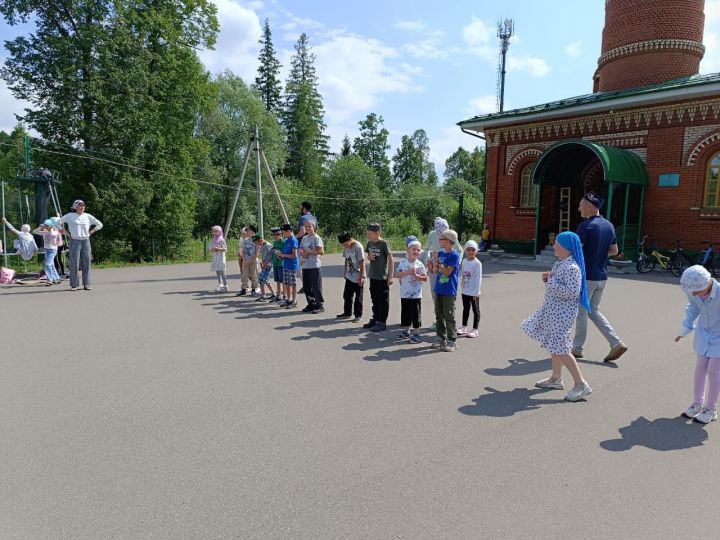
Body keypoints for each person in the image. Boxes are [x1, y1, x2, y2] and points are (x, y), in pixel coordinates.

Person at [522, 231, 593, 402]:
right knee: (555, 345)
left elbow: (572, 292)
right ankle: (556, 377)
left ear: (567, 248)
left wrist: (551, 282)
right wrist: (549, 279)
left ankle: (581, 384)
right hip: (554, 312)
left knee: (561, 348)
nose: (554, 246)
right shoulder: (561, 264)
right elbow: (558, 286)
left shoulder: (572, 268)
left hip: (562, 315)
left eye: (557, 244)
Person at [572, 191, 627, 362]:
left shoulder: (585, 226)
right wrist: (598, 254)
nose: (579, 208)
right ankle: (615, 343)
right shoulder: (609, 226)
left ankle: (577, 348)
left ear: (589, 206)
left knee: (582, 312)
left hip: (586, 276)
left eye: (581, 204)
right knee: (593, 311)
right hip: (602, 276)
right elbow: (614, 251)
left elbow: (576, 250)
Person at [675, 265, 720, 424]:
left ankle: (711, 409)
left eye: (696, 291)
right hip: (704, 335)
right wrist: (685, 329)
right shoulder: (694, 292)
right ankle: (698, 403)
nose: (693, 294)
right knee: (700, 368)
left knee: (714, 370)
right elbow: (693, 308)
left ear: (707, 283)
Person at [60, 200, 103, 291]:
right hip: (74, 240)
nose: (81, 207)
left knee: (87, 262)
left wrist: (91, 231)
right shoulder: (69, 216)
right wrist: (66, 233)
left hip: (86, 241)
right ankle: (74, 285)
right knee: (74, 263)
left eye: (83, 206)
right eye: (79, 206)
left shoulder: (88, 216)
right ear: (75, 207)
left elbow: (99, 224)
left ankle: (87, 284)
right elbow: (58, 223)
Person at [424, 217, 463, 318]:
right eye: (440, 233)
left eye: (444, 232)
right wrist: (428, 260)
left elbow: (460, 250)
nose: (442, 235)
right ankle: (439, 316)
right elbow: (427, 249)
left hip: (448, 263)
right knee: (434, 291)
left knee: (448, 290)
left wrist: (456, 264)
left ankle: (448, 313)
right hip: (435, 263)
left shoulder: (450, 235)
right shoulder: (432, 234)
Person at [432, 229, 461, 352]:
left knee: (449, 315)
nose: (439, 240)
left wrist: (439, 267)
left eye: (442, 239)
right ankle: (441, 338)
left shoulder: (454, 255)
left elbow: (448, 272)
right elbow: (436, 270)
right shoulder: (441, 254)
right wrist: (434, 265)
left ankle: (452, 340)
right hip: (439, 288)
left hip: (449, 290)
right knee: (439, 315)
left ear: (449, 241)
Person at [395, 237, 427, 344]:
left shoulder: (420, 264)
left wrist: (416, 275)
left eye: (418, 250)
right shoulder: (403, 263)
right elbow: (397, 274)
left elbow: (425, 278)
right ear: (408, 250)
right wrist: (408, 272)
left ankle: (417, 333)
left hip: (416, 295)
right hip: (404, 294)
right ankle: (406, 331)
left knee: (415, 314)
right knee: (405, 313)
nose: (416, 251)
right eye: (414, 249)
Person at [364, 223, 394, 332]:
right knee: (375, 299)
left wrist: (390, 276)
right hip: (373, 275)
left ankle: (382, 322)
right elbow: (368, 256)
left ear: (377, 233)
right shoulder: (370, 243)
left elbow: (391, 260)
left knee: (383, 300)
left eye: (370, 233)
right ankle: (375, 318)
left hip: (382, 276)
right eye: (368, 233)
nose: (368, 235)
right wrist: (369, 257)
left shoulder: (384, 244)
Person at [337, 231, 365, 323]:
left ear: (349, 240)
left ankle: (358, 315)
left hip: (358, 275)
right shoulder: (346, 247)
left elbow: (362, 262)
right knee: (347, 295)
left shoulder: (358, 246)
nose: (344, 246)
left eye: (345, 244)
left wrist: (362, 276)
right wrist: (345, 272)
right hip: (349, 275)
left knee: (358, 297)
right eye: (343, 245)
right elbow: (346, 259)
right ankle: (347, 313)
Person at [299, 219, 325, 314]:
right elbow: (301, 248)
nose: (307, 228)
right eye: (306, 227)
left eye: (309, 226)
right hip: (306, 265)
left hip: (314, 266)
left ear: (314, 227)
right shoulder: (304, 238)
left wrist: (309, 252)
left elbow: (321, 252)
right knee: (306, 287)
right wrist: (301, 253)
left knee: (316, 286)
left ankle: (319, 305)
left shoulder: (316, 238)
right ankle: (311, 303)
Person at [458, 240, 482, 338]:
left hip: (474, 292)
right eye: (468, 249)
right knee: (466, 309)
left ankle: (475, 329)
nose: (470, 252)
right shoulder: (464, 261)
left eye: (473, 250)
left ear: (475, 251)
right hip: (465, 290)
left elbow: (478, 278)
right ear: (465, 250)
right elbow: (462, 274)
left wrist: (477, 292)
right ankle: (464, 327)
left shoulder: (477, 263)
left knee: (475, 310)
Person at [32, 219, 62, 285]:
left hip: (53, 250)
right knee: (51, 265)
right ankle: (57, 278)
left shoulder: (54, 232)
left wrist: (48, 228)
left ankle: (50, 280)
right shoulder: (45, 232)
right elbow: (34, 231)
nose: (45, 227)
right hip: (46, 249)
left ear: (51, 226)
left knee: (47, 264)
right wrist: (40, 227)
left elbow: (52, 233)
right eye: (45, 225)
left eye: (47, 225)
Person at [277, 223, 299, 308]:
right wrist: (280, 256)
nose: (283, 234)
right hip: (285, 264)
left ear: (289, 231)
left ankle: (294, 300)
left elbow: (294, 255)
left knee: (293, 284)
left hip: (292, 265)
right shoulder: (286, 241)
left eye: (284, 232)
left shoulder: (294, 240)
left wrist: (283, 255)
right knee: (286, 283)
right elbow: (285, 254)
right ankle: (288, 299)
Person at [238, 225, 259, 296]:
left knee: (253, 275)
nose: (246, 231)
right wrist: (244, 259)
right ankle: (243, 289)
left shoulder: (256, 241)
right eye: (246, 230)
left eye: (248, 230)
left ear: (253, 232)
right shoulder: (246, 240)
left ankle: (254, 289)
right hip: (246, 261)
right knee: (244, 275)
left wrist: (251, 261)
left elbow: (257, 253)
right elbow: (243, 251)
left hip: (253, 261)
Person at [253, 233, 274, 301]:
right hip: (265, 265)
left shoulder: (268, 245)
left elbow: (271, 256)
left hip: (269, 265)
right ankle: (274, 294)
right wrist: (262, 261)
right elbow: (265, 255)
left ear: (260, 240)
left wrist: (266, 263)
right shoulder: (263, 245)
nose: (257, 245)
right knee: (266, 280)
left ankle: (264, 296)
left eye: (257, 243)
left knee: (261, 280)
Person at [210, 225, 228, 293]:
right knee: (217, 270)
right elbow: (210, 248)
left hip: (221, 257)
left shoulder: (222, 240)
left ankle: (225, 285)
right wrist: (212, 249)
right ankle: (220, 284)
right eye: (213, 231)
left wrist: (218, 249)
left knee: (221, 270)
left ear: (219, 232)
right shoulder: (213, 239)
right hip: (215, 257)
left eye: (216, 231)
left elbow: (225, 249)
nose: (214, 233)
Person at [270, 227, 286, 303]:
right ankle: (278, 295)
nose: (275, 237)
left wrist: (281, 257)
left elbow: (285, 253)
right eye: (274, 235)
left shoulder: (283, 242)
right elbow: (274, 251)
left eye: (276, 235)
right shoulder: (275, 242)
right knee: (278, 280)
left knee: (282, 280)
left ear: (280, 235)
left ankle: (284, 296)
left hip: (281, 264)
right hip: (275, 263)